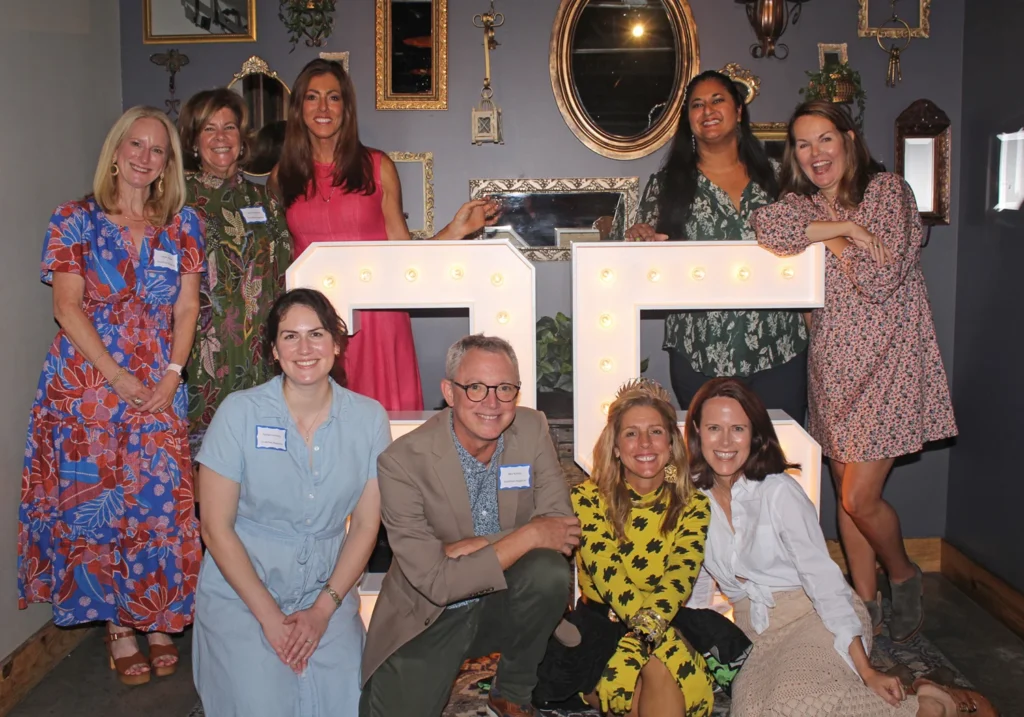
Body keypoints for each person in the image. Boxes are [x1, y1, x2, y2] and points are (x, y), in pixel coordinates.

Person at [752, 100, 958, 641]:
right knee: (845, 492)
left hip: (889, 364)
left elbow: (880, 278)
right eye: (802, 143)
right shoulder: (804, 202)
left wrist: (823, 235)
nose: (815, 153)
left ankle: (905, 573)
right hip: (834, 367)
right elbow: (767, 224)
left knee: (857, 499)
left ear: (848, 138)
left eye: (825, 139)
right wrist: (841, 228)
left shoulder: (888, 192)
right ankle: (863, 607)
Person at [17, 106, 204, 684]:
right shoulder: (74, 219)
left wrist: (172, 375)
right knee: (98, 509)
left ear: (167, 162)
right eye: (136, 145)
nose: (145, 158)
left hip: (159, 383)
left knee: (158, 503)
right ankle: (118, 627)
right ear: (116, 150)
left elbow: (188, 306)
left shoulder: (183, 224)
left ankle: (155, 616)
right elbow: (65, 306)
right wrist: (116, 377)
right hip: (87, 388)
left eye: (158, 150)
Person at [685, 378, 995, 717]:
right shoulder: (691, 501)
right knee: (754, 711)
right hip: (755, 633)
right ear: (697, 433)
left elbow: (824, 583)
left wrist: (867, 671)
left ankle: (924, 705)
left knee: (793, 706)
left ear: (755, 434)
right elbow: (696, 586)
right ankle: (920, 694)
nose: (726, 441)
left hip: (815, 616)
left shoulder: (778, 493)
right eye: (714, 427)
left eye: (738, 429)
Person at [360, 334, 581, 717]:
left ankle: (511, 690)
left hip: (505, 600)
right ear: (449, 391)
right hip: (431, 612)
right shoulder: (401, 462)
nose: (493, 403)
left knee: (547, 571)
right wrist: (528, 534)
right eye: (476, 388)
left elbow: (560, 529)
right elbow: (436, 581)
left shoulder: (531, 428)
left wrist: (469, 547)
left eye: (505, 388)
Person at [193, 288, 389, 717]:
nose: (305, 349)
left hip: (327, 593)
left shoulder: (369, 418)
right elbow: (215, 528)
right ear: (273, 351)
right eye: (290, 336)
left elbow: (366, 526)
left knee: (347, 706)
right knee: (261, 705)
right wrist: (268, 617)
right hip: (243, 592)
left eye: (316, 334)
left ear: (337, 345)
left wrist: (322, 611)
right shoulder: (239, 414)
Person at [273, 58, 499, 412]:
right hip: (313, 326)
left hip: (378, 320)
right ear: (298, 107)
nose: (322, 108)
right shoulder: (282, 177)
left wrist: (456, 230)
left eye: (333, 98)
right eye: (312, 97)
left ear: (346, 107)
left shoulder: (377, 167)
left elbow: (403, 257)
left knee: (385, 433)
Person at [618, 70, 807, 421]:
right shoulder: (666, 185)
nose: (708, 110)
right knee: (712, 464)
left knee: (783, 457)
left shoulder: (781, 176)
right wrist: (640, 241)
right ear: (688, 120)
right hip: (700, 350)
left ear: (738, 110)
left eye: (717, 100)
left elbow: (812, 236)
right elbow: (639, 256)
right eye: (697, 105)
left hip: (779, 345)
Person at [538, 378, 716, 717]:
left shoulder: (694, 505)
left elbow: (681, 576)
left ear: (672, 443)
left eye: (656, 432)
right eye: (631, 433)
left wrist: (637, 646)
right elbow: (610, 578)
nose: (644, 443)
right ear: (616, 446)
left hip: (667, 617)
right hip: (602, 626)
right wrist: (651, 645)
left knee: (655, 679)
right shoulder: (585, 499)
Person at [178, 88, 293, 456]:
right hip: (200, 355)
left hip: (258, 355)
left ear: (242, 139)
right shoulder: (173, 202)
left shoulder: (265, 201)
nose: (221, 138)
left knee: (262, 459)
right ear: (195, 141)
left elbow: (285, 277)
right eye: (209, 129)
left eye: (229, 127)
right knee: (205, 468)